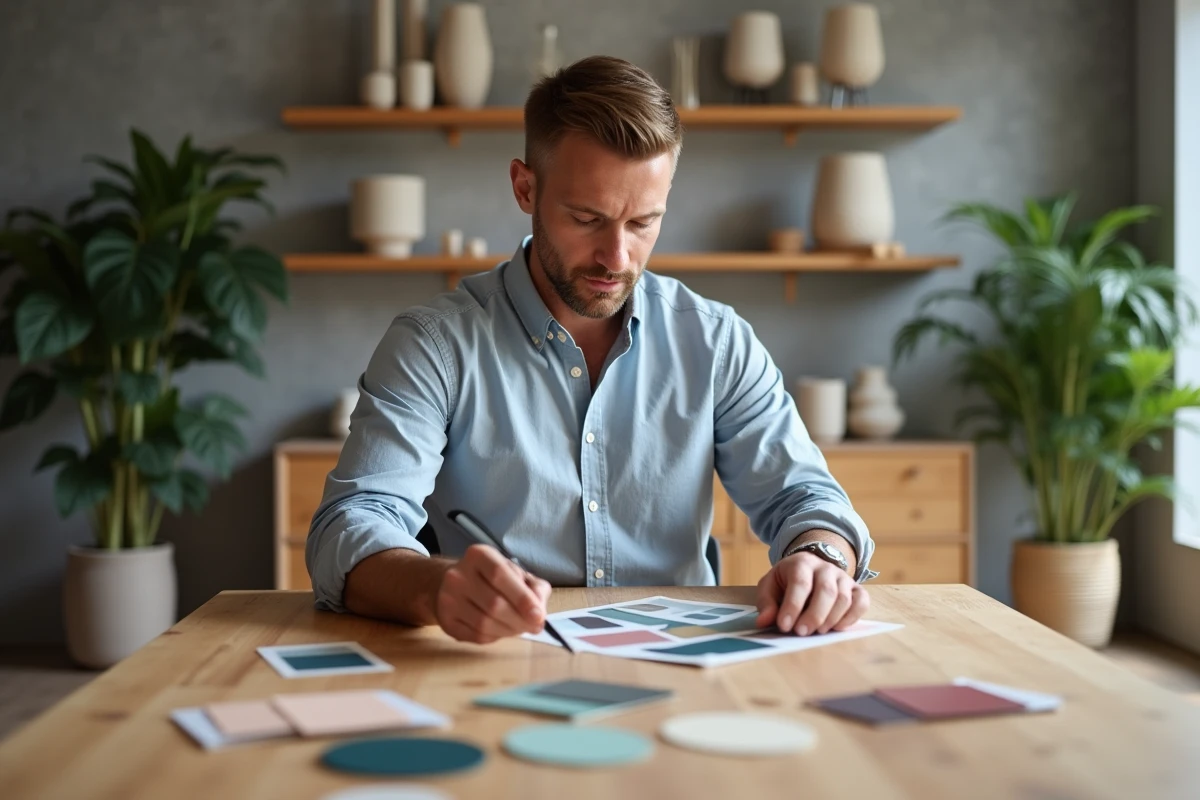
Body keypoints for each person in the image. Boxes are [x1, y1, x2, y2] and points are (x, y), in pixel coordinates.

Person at [307, 55, 877, 645]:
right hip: (495, 661)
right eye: (587, 218)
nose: (617, 258)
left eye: (643, 223)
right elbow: (351, 525)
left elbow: (804, 496)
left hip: (685, 664)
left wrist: (821, 560)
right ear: (525, 188)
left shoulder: (716, 340)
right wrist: (432, 586)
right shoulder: (435, 345)